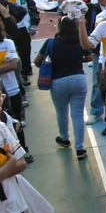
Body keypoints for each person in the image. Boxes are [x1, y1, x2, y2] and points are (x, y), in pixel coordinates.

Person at [34, 15, 92, 159]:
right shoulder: (80, 41)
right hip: (79, 78)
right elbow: (90, 57)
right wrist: (78, 59)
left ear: (59, 28)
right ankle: (80, 148)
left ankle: (64, 138)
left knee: (61, 112)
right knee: (78, 114)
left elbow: (37, 61)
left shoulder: (51, 42)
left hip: (58, 81)